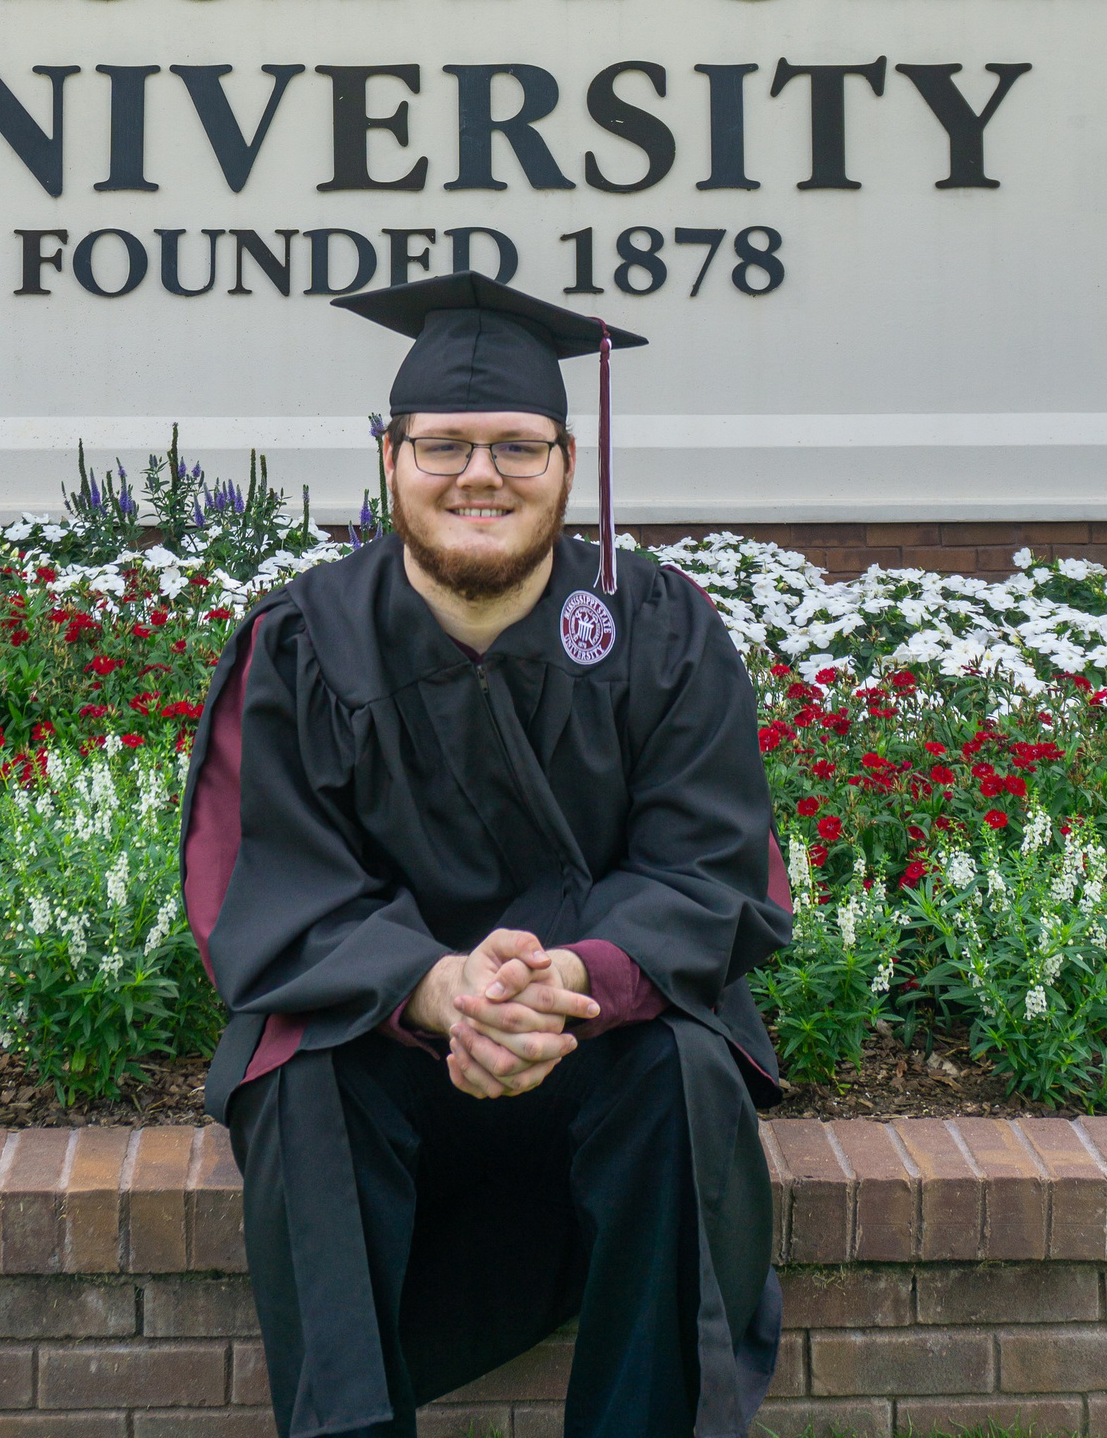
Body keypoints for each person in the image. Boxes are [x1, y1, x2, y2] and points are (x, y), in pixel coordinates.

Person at [181, 272, 789, 1438]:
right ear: (389, 458)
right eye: (443, 445)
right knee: (300, 1078)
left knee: (684, 1072)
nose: (479, 475)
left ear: (568, 462)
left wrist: (568, 981)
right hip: (389, 1048)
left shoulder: (661, 630)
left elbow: (712, 868)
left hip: (599, 1042)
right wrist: (441, 985)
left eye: (517, 447)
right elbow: (267, 882)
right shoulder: (304, 644)